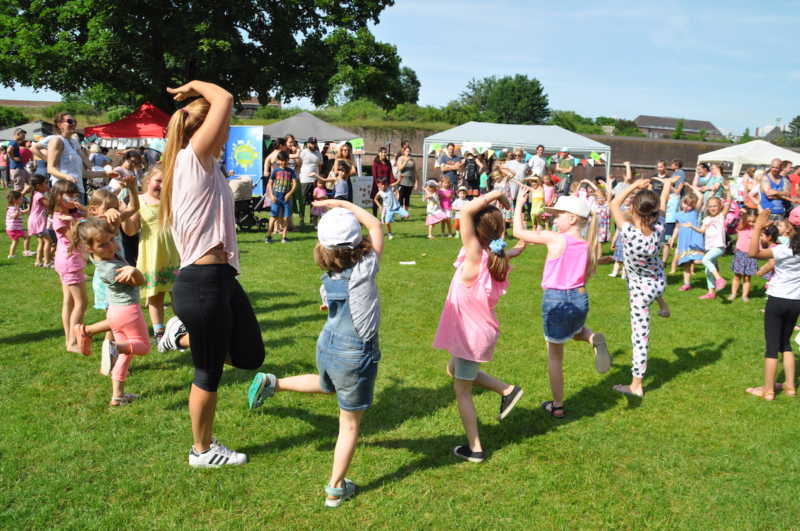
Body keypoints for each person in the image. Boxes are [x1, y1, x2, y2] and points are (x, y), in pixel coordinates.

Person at [247, 201, 383, 507]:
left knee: (326, 385)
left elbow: (329, 303)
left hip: (328, 345)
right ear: (356, 242)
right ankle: (336, 487)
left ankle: (273, 383)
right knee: (348, 425)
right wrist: (340, 203)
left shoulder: (328, 273)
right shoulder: (364, 268)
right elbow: (375, 224)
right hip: (354, 352)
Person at [158, 80, 265, 468]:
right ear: (202, 131)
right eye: (219, 128)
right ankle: (201, 451)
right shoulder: (193, 159)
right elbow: (224, 98)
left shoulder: (206, 167)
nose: (225, 134)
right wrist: (192, 88)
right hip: (201, 284)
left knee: (251, 356)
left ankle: (179, 336)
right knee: (209, 372)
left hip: (221, 280)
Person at [434, 189, 526, 462]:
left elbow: (464, 212)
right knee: (454, 369)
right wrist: (517, 222)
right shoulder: (497, 257)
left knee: (462, 392)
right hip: (478, 334)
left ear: (475, 231)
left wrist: (498, 193)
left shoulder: (476, 255)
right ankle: (507, 390)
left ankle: (476, 449)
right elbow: (516, 249)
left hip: (471, 336)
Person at [512, 189, 609, 417]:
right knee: (575, 330)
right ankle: (592, 338)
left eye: (558, 215)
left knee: (555, 356)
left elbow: (518, 232)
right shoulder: (588, 245)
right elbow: (584, 276)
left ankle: (557, 405)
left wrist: (518, 205)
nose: (554, 219)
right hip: (579, 297)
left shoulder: (555, 238)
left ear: (572, 218)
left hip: (556, 299)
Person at [71, 218, 150, 406]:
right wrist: (134, 271)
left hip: (116, 312)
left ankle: (117, 396)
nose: (111, 246)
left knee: (126, 355)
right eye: (103, 244)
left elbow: (110, 234)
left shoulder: (103, 256)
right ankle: (114, 347)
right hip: (128, 311)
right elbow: (141, 281)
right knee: (143, 347)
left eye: (112, 240)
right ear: (89, 248)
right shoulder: (112, 269)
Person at [610, 178, 672, 398]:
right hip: (657, 282)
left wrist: (634, 185)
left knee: (640, 338)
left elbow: (614, 204)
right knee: (651, 279)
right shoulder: (659, 229)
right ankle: (663, 305)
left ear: (634, 210)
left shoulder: (629, 233)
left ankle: (636, 384)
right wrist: (665, 187)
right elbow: (662, 204)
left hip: (641, 293)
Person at [745, 208, 800, 401]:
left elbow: (753, 253)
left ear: (791, 228)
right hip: (796, 302)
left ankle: (768, 390)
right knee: (785, 343)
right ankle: (790, 386)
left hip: (777, 300)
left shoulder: (783, 250)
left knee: (771, 347)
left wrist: (759, 226)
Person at [129, 165, 180, 342]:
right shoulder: (140, 200)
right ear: (148, 180)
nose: (162, 185)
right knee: (155, 295)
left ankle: (183, 327)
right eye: (158, 181)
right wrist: (129, 209)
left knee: (179, 294)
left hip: (174, 253)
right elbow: (130, 230)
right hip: (152, 254)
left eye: (166, 182)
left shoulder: (172, 200)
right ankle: (159, 332)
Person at [47, 179, 88, 354]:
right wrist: (72, 221)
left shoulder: (74, 213)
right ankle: (71, 342)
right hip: (69, 263)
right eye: (69, 194)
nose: (73, 197)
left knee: (69, 302)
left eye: (75, 193)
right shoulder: (60, 219)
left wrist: (82, 210)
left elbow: (93, 217)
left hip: (71, 261)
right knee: (82, 303)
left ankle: (69, 339)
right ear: (58, 197)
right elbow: (75, 239)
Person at [683, 184, 732, 299]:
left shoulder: (720, 216)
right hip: (709, 247)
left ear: (720, 207)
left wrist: (728, 191)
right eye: (710, 206)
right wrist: (691, 226)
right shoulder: (706, 219)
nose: (713, 208)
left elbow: (728, 202)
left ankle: (719, 279)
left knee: (705, 260)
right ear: (707, 208)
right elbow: (701, 231)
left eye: (715, 206)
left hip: (719, 246)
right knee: (707, 271)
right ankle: (711, 293)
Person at [47, 113, 91, 203]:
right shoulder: (57, 140)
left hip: (78, 189)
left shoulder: (74, 142)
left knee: (78, 217)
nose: (73, 124)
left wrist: (107, 173)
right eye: (70, 121)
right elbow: (50, 169)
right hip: (64, 191)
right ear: (60, 125)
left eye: (75, 121)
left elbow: (84, 173)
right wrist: (67, 177)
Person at [672, 185, 705, 286]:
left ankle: (712, 265)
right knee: (686, 263)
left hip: (694, 240)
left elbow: (701, 197)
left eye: (690, 205)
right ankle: (686, 284)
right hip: (684, 241)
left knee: (698, 260)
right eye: (685, 203)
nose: (686, 206)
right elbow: (677, 227)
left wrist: (692, 187)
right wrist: (673, 238)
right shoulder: (678, 214)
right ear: (682, 202)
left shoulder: (695, 212)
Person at [265, 150, 298, 244]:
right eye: (282, 160)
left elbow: (295, 184)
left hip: (286, 198)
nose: (284, 162)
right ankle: (268, 236)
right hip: (276, 197)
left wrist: (289, 193)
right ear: (278, 161)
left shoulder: (291, 171)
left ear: (288, 160)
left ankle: (284, 237)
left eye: (285, 160)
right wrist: (271, 195)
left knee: (286, 217)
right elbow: (270, 183)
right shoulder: (275, 171)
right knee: (273, 217)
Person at [728, 208, 758, 302]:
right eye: (749, 221)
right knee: (737, 276)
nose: (751, 223)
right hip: (740, 254)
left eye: (753, 221)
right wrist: (743, 215)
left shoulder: (757, 230)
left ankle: (745, 295)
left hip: (751, 255)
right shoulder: (741, 228)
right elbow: (739, 222)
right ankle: (733, 293)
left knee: (747, 277)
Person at [26, 174, 51, 266]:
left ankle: (38, 261)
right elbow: (49, 205)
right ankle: (47, 262)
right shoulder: (39, 195)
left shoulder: (35, 194)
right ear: (38, 186)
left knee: (41, 242)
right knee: (48, 241)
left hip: (33, 221)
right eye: (46, 183)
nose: (47, 185)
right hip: (38, 222)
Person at [5, 190, 30, 258]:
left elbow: (23, 212)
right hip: (13, 229)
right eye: (20, 199)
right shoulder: (12, 208)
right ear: (15, 200)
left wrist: (28, 207)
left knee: (16, 241)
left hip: (14, 229)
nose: (22, 200)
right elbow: (14, 217)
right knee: (26, 237)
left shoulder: (15, 208)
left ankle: (12, 254)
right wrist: (17, 210)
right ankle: (25, 252)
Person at [370, 147, 393, 216]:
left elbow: (390, 174)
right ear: (379, 153)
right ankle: (375, 217)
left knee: (386, 201)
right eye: (382, 152)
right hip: (377, 185)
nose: (384, 154)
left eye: (385, 152)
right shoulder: (375, 162)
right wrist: (378, 185)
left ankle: (385, 217)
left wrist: (392, 184)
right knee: (376, 201)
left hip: (386, 185)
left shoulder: (388, 162)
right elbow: (374, 174)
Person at [396, 145, 416, 209]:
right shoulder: (400, 158)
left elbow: (414, 171)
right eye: (407, 151)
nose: (408, 152)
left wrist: (416, 181)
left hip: (410, 181)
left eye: (409, 151)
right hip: (402, 180)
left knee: (407, 197)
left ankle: (406, 212)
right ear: (404, 151)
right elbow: (400, 168)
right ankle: (401, 212)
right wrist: (406, 161)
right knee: (401, 196)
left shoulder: (412, 159)